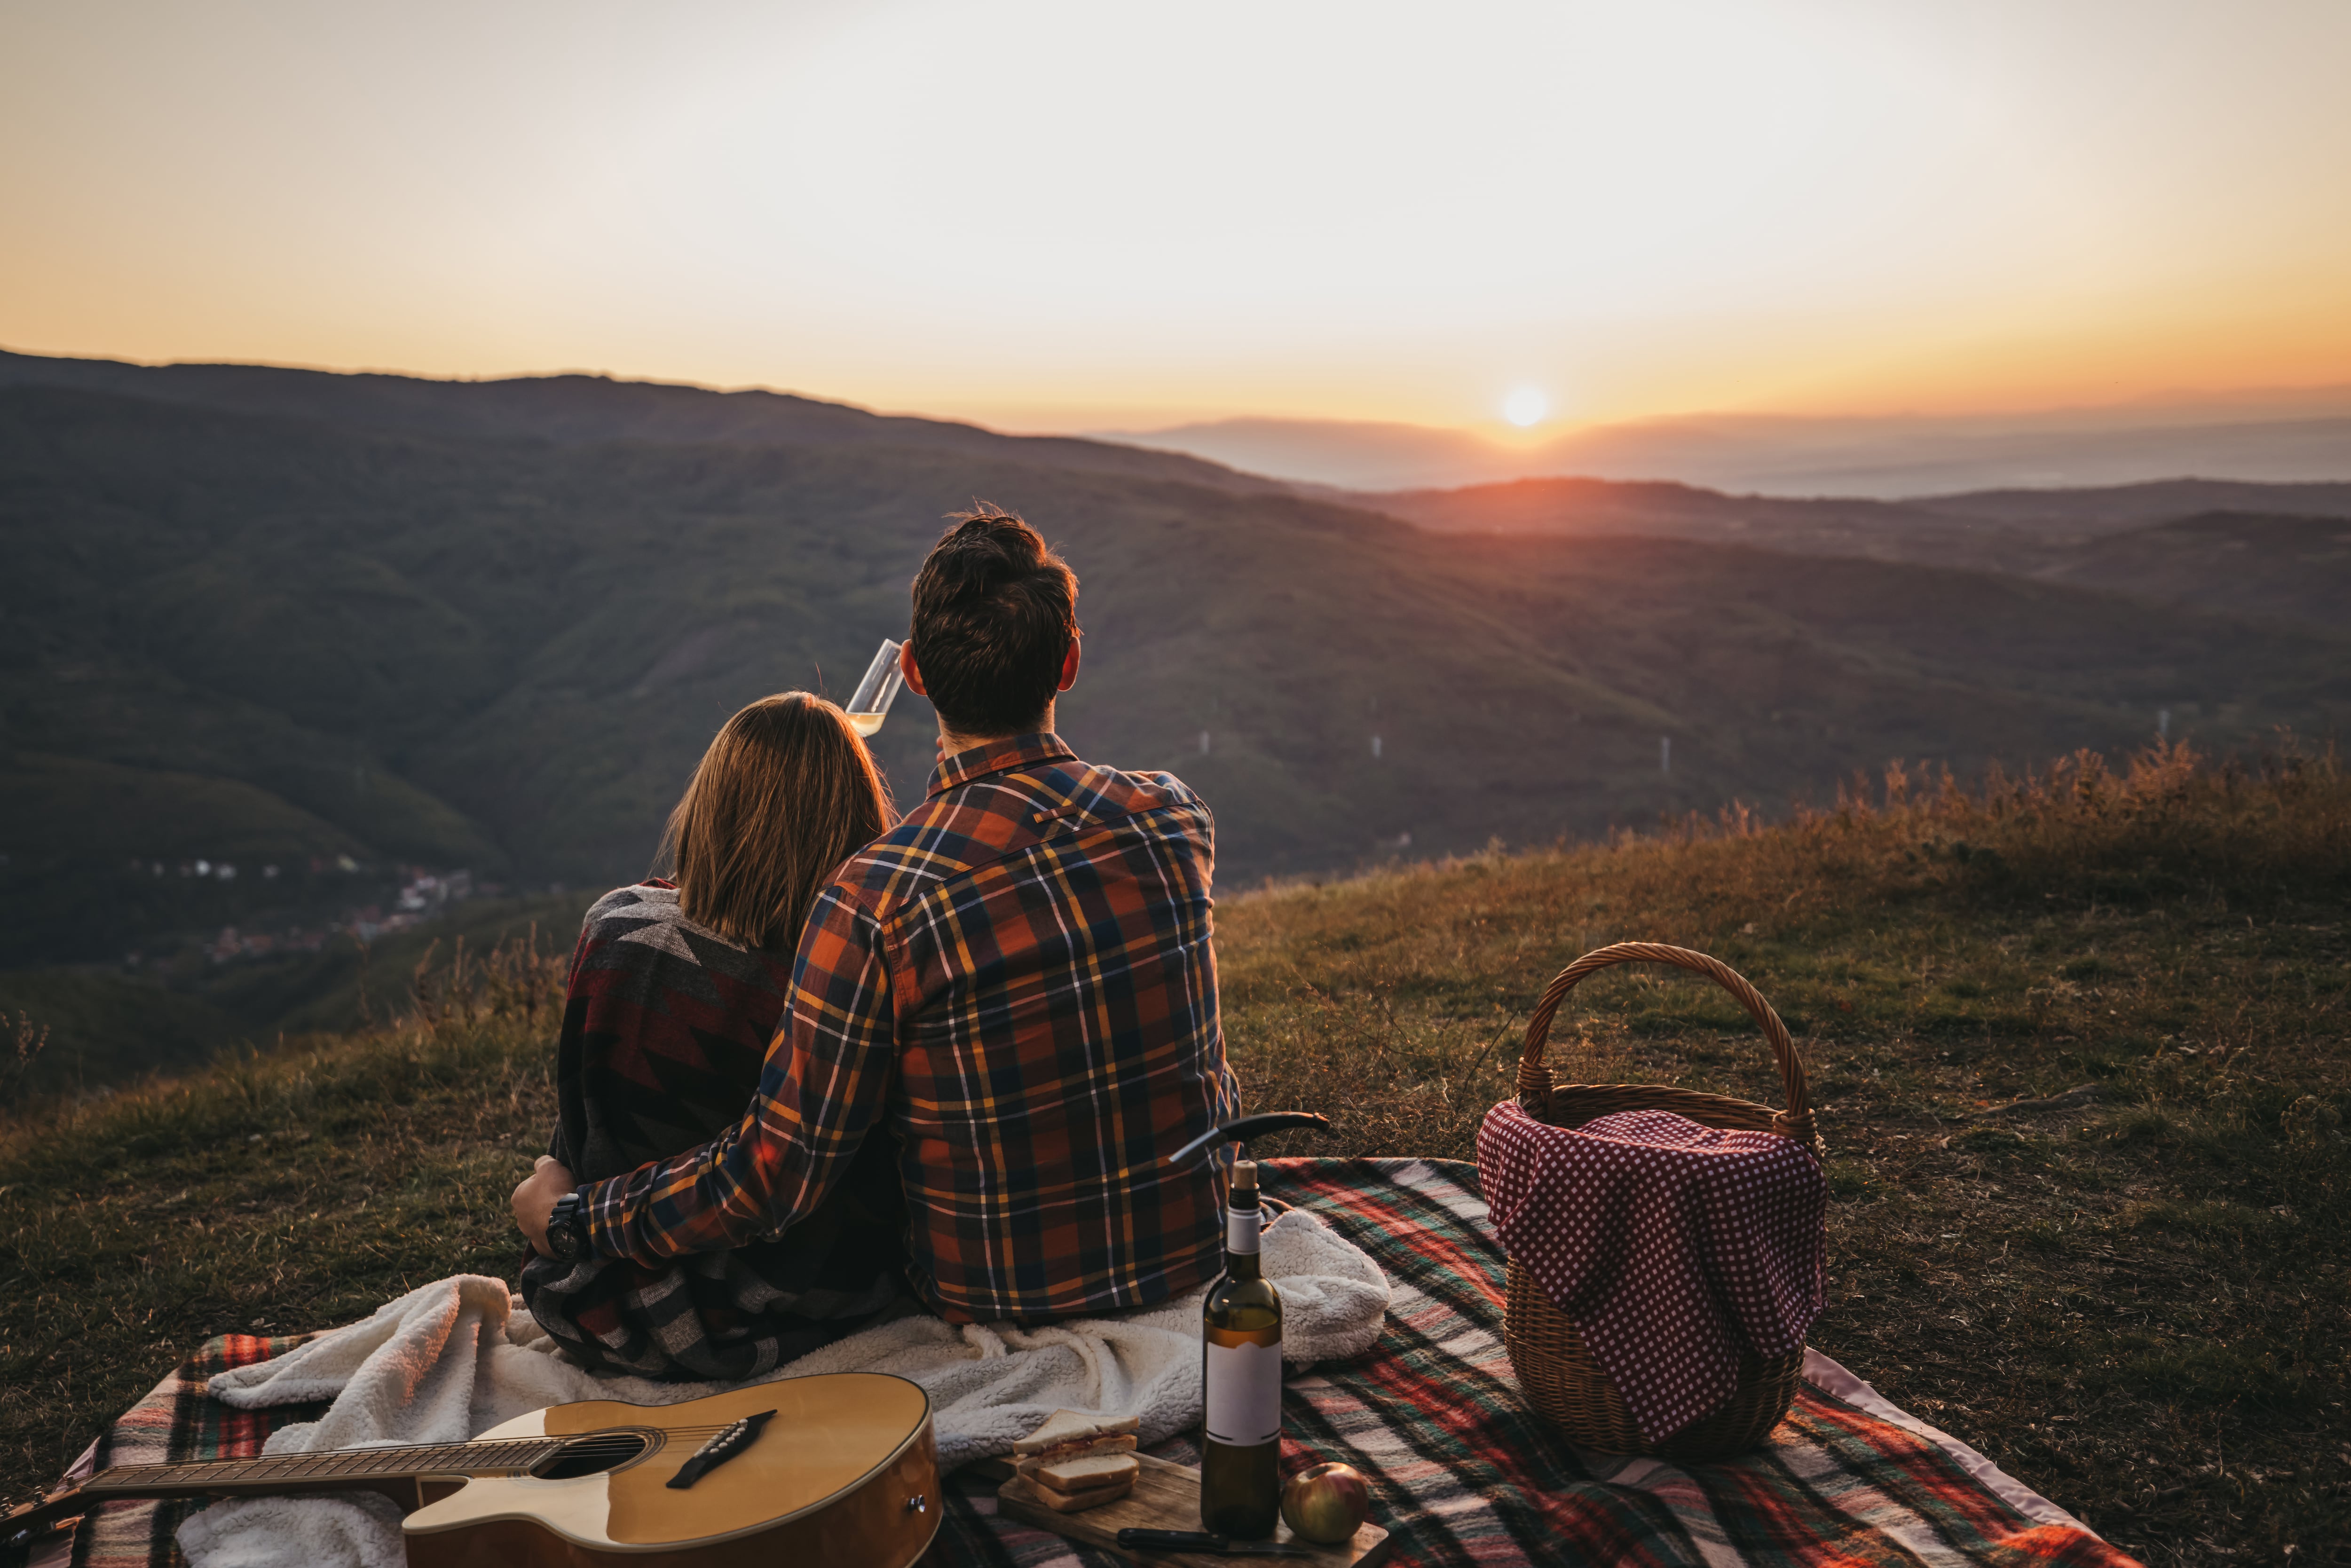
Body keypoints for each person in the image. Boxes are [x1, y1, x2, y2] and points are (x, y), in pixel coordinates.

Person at [513, 506, 1242, 1325]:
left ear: (917, 676)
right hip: (1201, 1246)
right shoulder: (1175, 818)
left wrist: (577, 1219)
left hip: (1004, 1295)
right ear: (1068, 664)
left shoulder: (874, 901)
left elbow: (772, 1177)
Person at [514, 692, 911, 1379]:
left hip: (589, 1298)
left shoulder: (616, 922)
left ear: (710, 805)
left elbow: (583, 1123)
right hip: (768, 1315)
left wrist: (563, 1201)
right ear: (854, 821)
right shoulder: (826, 981)